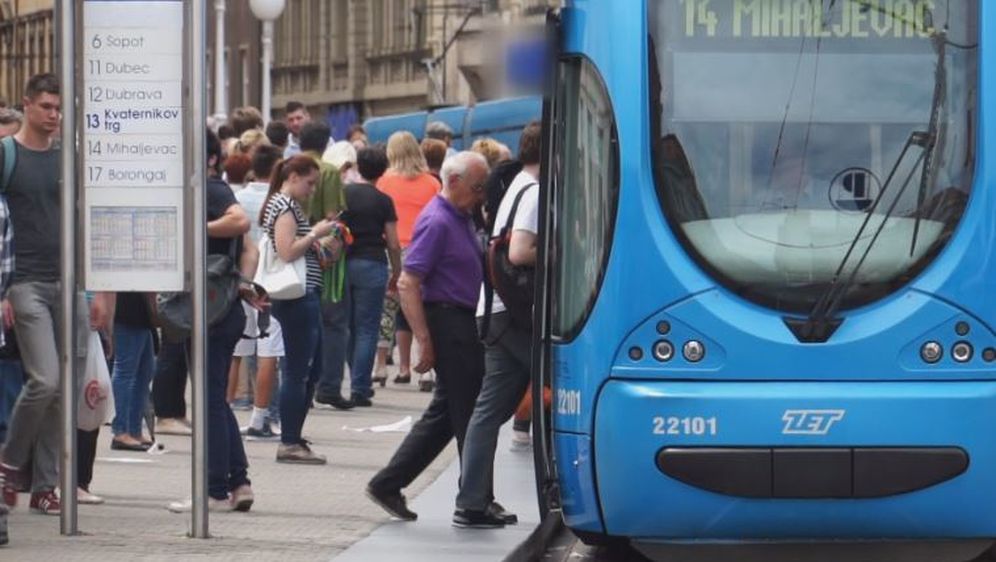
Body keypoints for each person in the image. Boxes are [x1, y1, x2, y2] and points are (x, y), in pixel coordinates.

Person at [0, 73, 111, 515]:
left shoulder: (69, 157)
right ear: (27, 105)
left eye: (58, 108)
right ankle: (10, 463)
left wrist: (98, 289)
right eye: (46, 106)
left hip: (69, 285)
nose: (53, 114)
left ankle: (45, 487)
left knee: (64, 389)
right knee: (44, 378)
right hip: (23, 283)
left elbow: (87, 225)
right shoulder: (7, 156)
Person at [366, 151, 490, 522]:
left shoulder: (462, 216)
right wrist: (424, 338)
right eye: (477, 187)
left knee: (448, 413)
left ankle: (390, 483)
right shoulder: (438, 220)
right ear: (454, 183)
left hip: (460, 318)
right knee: (469, 413)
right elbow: (408, 280)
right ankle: (475, 499)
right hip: (448, 320)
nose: (482, 194)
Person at [454, 122, 542, 528]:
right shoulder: (535, 191)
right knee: (557, 386)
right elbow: (522, 251)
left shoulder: (516, 185)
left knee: (488, 412)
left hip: (493, 309)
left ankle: (472, 501)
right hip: (514, 314)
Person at [168, 129, 259, 513]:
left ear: (206, 158)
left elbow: (240, 223)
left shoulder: (210, 189)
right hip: (221, 307)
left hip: (210, 309)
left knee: (208, 402)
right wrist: (242, 283)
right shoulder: (205, 189)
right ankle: (239, 484)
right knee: (214, 400)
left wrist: (196, 231)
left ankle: (214, 489)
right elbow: (250, 247)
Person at [262, 155, 337, 464]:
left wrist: (319, 246)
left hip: (303, 295)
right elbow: (287, 250)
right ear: (292, 176)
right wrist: (315, 235)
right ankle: (289, 439)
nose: (312, 190)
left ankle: (293, 436)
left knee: (310, 369)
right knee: (298, 369)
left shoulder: (285, 206)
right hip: (296, 298)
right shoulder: (284, 207)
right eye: (309, 182)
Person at [333, 147, 401, 405]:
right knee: (367, 328)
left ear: (358, 166)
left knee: (348, 326)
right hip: (372, 263)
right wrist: (397, 271)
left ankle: (348, 379)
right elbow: (393, 242)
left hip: (345, 263)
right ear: (383, 170)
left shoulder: (345, 194)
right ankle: (360, 387)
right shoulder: (384, 201)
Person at [376, 132, 441, 391]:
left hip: (392, 251)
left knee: (387, 311)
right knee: (423, 312)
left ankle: (380, 367)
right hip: (424, 251)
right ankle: (427, 371)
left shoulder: (384, 182)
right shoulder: (432, 183)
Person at [297, 123, 352, 411]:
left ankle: (298, 380)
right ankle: (328, 385)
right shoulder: (328, 171)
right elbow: (333, 217)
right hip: (322, 254)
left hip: (291, 248)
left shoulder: (289, 166)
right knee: (333, 322)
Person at [232, 144, 285, 439]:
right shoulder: (279, 202)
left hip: (245, 281)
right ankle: (267, 414)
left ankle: (250, 407)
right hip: (271, 282)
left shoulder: (239, 199)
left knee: (248, 350)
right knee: (271, 352)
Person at [109, 293, 157, 451]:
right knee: (125, 371)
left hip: (141, 310)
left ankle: (134, 430)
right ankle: (120, 430)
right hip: (128, 306)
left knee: (145, 371)